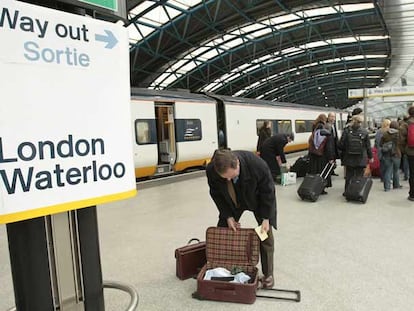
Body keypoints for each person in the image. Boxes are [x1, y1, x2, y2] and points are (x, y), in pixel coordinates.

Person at [206, 149, 276, 288]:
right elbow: (216, 194)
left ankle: (268, 273)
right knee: (224, 230)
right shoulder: (211, 170)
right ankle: (222, 268)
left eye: (231, 176)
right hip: (231, 202)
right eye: (225, 178)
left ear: (237, 163)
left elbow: (268, 193)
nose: (228, 180)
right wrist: (228, 215)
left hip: (257, 200)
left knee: (264, 235)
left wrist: (266, 218)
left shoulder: (258, 165)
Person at [339, 114, 373, 195]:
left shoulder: (346, 131)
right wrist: (370, 157)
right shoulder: (364, 132)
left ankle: (347, 192)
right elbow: (368, 146)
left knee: (349, 176)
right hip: (360, 158)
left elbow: (340, 145)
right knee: (359, 177)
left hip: (349, 158)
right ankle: (357, 192)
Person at [308, 114, 335, 194]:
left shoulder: (315, 129)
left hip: (313, 154)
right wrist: (331, 157)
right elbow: (328, 146)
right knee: (322, 172)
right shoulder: (325, 132)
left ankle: (313, 187)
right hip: (322, 155)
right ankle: (321, 189)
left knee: (314, 172)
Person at [380, 120, 402, 191]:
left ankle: (387, 187)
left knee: (388, 170)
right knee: (396, 170)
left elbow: (381, 144)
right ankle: (396, 185)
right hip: (396, 154)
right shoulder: (399, 134)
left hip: (387, 154)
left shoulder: (385, 133)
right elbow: (402, 143)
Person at [399, 106, 414, 201]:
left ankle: (412, 194)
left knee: (412, 173)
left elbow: (401, 140)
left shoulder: (406, 124)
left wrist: (404, 150)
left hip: (411, 153)